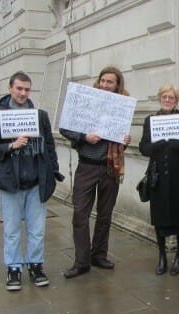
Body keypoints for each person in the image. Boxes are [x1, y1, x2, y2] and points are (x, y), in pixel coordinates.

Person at [0, 71, 63, 291]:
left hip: (37, 180)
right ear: (10, 88)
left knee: (37, 230)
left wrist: (54, 171)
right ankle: (14, 268)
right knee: (12, 229)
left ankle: (36, 266)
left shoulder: (40, 116)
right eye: (19, 88)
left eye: (27, 89)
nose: (23, 93)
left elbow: (49, 147)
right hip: (11, 182)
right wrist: (10, 146)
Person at [60, 66, 131, 279]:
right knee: (80, 213)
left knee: (105, 214)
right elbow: (65, 127)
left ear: (117, 85)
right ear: (98, 82)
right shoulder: (85, 101)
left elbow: (120, 139)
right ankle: (81, 261)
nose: (105, 85)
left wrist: (125, 141)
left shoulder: (123, 106)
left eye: (110, 82)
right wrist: (84, 137)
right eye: (103, 81)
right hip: (87, 166)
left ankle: (99, 254)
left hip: (110, 167)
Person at [139, 84, 179, 276]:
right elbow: (143, 147)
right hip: (158, 177)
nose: (167, 100)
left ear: (176, 100)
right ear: (159, 98)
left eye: (171, 97)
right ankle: (162, 256)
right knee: (160, 218)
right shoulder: (150, 120)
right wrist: (154, 147)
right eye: (164, 97)